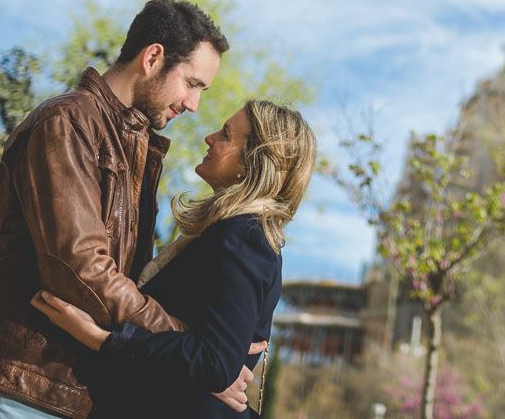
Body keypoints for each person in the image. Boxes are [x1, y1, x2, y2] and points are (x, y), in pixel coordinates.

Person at [0, 0, 256, 419]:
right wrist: (193, 348)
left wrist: (197, 358)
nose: (194, 104)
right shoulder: (68, 123)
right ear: (153, 57)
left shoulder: (132, 147)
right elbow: (80, 269)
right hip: (19, 388)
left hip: (69, 392)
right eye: (192, 83)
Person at [31, 99, 317, 418]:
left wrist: (99, 339)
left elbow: (214, 362)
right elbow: (217, 358)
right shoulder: (235, 235)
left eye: (225, 134)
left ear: (253, 161)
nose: (209, 137)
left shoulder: (244, 237)